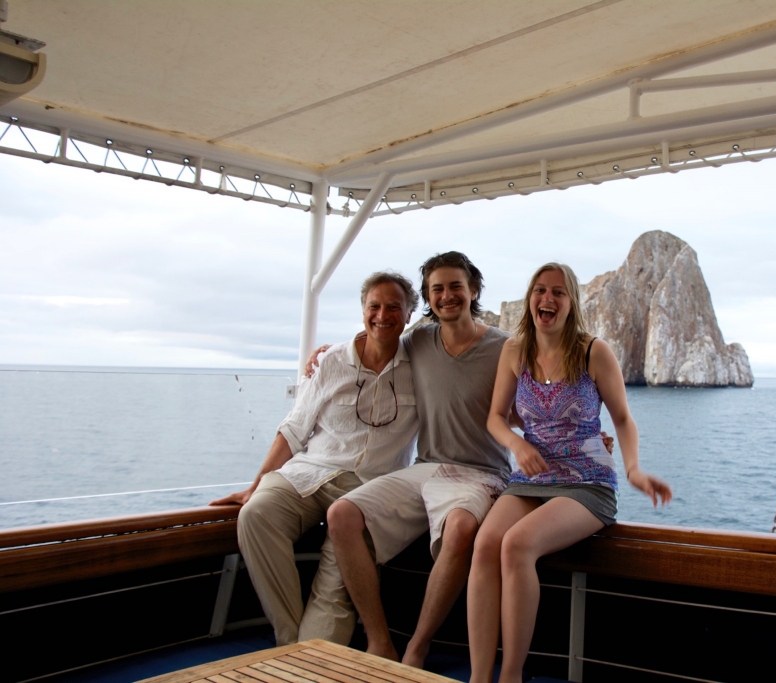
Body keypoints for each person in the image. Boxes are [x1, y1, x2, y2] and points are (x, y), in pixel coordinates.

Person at [467, 262, 672, 683]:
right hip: (532, 476)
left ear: (571, 302)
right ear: (530, 299)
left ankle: (510, 676)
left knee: (517, 545)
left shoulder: (593, 351)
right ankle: (478, 676)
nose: (548, 299)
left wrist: (633, 468)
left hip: (586, 481)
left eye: (559, 292)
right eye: (540, 290)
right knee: (486, 542)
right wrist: (517, 444)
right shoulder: (514, 352)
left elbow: (622, 419)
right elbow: (495, 419)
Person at [320, 252, 511, 667]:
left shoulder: (506, 347)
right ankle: (379, 641)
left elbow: (544, 396)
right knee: (341, 516)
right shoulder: (419, 340)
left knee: (461, 529)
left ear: (473, 290)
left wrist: (587, 437)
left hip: (482, 473)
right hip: (426, 466)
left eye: (455, 286)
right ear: (427, 296)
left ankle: (417, 646)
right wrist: (327, 354)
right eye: (437, 289)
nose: (446, 296)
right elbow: (374, 340)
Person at [210, 271, 420, 647]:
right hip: (309, 473)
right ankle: (292, 642)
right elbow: (294, 428)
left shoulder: (422, 366)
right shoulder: (332, 361)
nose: (382, 315)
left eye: (394, 307)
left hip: (367, 491)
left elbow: (462, 334)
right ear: (362, 310)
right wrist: (256, 484)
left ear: (408, 315)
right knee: (256, 515)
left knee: (331, 603)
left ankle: (307, 650)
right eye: (374, 305)